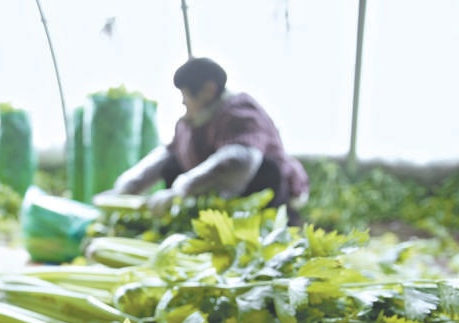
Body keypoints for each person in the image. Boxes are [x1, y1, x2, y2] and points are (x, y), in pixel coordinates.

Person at [103, 57, 309, 223]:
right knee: (173, 165)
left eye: (186, 94)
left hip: (261, 194)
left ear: (209, 89)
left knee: (267, 169)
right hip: (220, 197)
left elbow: (239, 161)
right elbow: (169, 153)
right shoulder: (192, 120)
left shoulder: (240, 112)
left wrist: (182, 189)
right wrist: (128, 187)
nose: (183, 101)